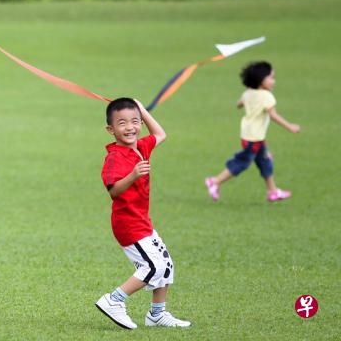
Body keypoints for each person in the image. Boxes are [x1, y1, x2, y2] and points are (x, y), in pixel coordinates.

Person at [95, 98, 191, 329]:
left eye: (135, 121)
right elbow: (114, 191)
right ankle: (114, 300)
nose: (130, 127)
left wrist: (142, 108)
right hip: (127, 224)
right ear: (111, 129)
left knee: (165, 265)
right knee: (152, 267)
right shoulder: (115, 157)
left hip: (142, 220)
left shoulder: (142, 146)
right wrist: (133, 175)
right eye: (122, 123)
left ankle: (157, 314)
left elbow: (160, 133)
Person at [205, 61, 300, 202]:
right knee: (243, 162)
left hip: (249, 135)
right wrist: (290, 126)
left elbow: (239, 104)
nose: (274, 81)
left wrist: (247, 103)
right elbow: (273, 115)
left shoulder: (248, 93)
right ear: (261, 80)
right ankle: (215, 181)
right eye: (271, 78)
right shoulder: (267, 97)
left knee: (265, 160)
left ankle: (272, 191)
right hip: (254, 137)